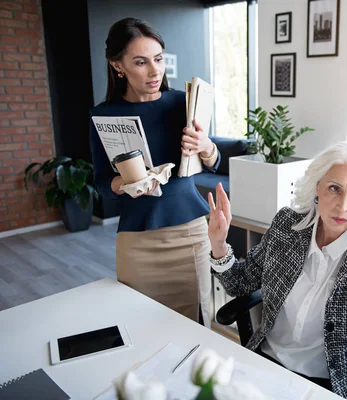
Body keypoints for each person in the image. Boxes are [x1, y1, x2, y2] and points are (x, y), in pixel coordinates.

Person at [208, 141, 347, 399]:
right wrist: (219, 245)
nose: (343, 206)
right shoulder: (287, 226)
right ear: (317, 188)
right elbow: (240, 283)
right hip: (268, 363)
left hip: (331, 383)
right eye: (334, 188)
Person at [89, 17, 220, 325]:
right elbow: (100, 183)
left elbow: (215, 163)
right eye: (140, 62)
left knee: (195, 325)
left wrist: (207, 146)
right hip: (137, 241)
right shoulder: (104, 115)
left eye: (158, 59)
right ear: (118, 66)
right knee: (139, 325)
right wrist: (126, 183)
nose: (154, 71)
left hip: (188, 234)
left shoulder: (183, 103)